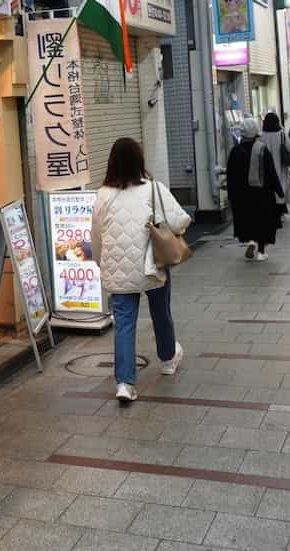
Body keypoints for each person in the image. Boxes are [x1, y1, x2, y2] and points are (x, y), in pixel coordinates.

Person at [91, 137, 189, 403]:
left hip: (118, 269)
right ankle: (168, 360)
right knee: (161, 313)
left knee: (123, 324)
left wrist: (100, 261)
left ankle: (124, 383)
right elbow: (181, 219)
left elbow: (96, 237)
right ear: (139, 161)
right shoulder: (153, 189)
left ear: (112, 163)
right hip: (152, 266)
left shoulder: (103, 194)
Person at [226, 117, 284, 261]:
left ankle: (251, 240)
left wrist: (231, 195)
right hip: (262, 192)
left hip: (242, 194)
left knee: (248, 218)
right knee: (264, 220)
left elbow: (231, 175)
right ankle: (261, 252)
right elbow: (271, 172)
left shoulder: (235, 151)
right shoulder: (261, 149)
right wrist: (279, 190)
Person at [260, 112, 290, 218]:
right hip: (281, 166)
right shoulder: (281, 133)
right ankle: (281, 211)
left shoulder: (261, 136)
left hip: (266, 168)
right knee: (281, 186)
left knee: (269, 188)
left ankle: (271, 211)